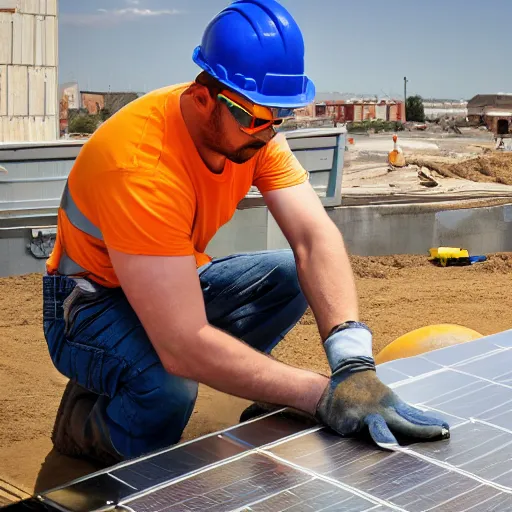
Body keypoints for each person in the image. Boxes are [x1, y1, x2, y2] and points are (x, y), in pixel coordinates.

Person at [42, 0, 449, 466]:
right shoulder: (141, 167)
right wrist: (319, 395)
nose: (268, 134)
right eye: (257, 119)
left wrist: (352, 360)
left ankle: (187, 369)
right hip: (89, 305)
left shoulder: (254, 129)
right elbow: (183, 346)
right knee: (170, 385)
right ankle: (93, 429)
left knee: (288, 274)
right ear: (203, 98)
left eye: (280, 117)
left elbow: (314, 237)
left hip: (161, 284)